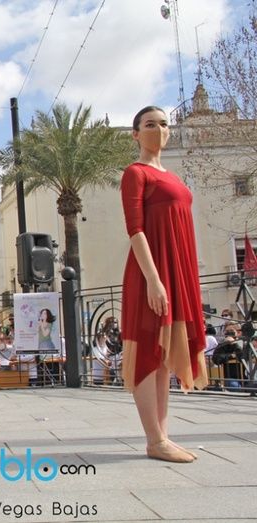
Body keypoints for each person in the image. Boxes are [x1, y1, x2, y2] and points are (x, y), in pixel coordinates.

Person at [120, 106, 207, 463]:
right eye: (149, 124)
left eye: (163, 124)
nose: (158, 129)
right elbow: (135, 229)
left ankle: (162, 437)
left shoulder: (172, 176)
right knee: (147, 351)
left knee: (164, 358)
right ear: (136, 134)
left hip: (177, 271)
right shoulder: (135, 173)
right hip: (150, 274)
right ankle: (155, 439)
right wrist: (154, 280)